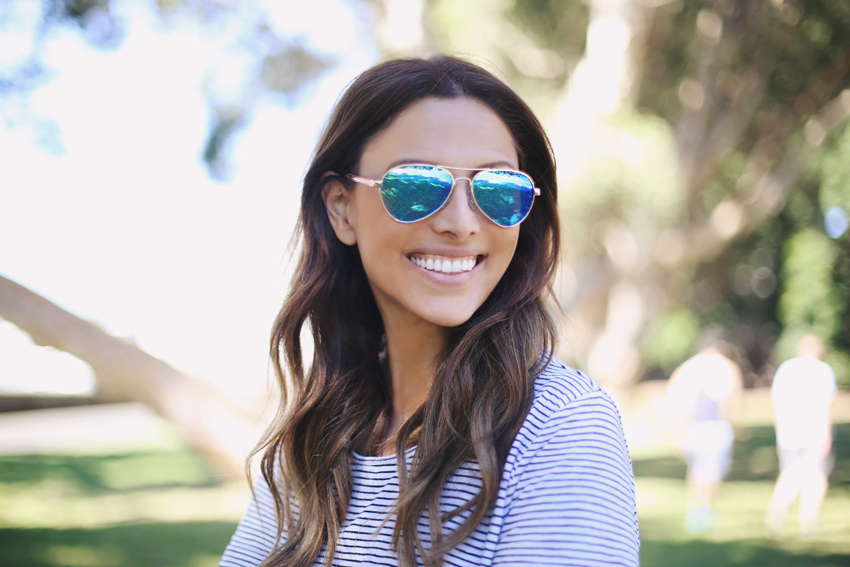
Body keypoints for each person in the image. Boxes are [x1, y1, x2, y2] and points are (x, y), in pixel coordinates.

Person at [219, 55, 639, 567]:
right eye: (417, 185)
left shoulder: (559, 428)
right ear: (341, 208)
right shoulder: (319, 436)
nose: (461, 223)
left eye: (499, 190)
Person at [664, 340, 742, 532]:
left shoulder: (687, 368)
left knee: (696, 469)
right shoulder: (725, 367)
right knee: (713, 471)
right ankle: (704, 508)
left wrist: (677, 431)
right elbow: (733, 399)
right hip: (716, 426)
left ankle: (695, 507)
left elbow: (675, 401)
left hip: (693, 427)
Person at [766, 334, 837, 538]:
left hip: (789, 433)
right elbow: (825, 406)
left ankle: (777, 512)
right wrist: (826, 434)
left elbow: (777, 404)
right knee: (816, 477)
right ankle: (808, 521)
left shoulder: (785, 369)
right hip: (815, 432)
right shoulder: (823, 371)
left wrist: (779, 433)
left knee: (790, 473)